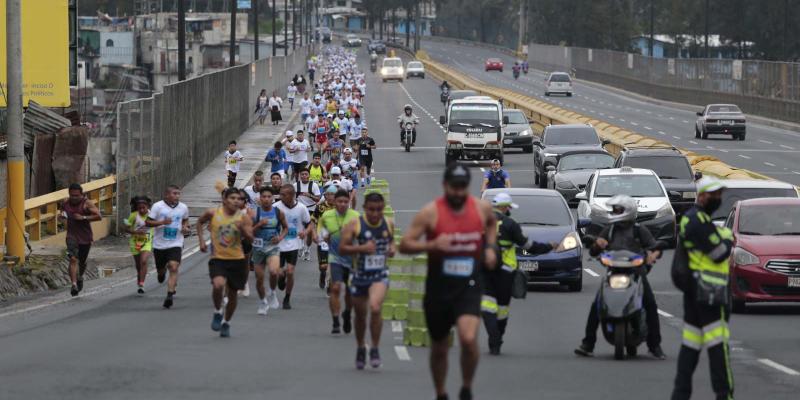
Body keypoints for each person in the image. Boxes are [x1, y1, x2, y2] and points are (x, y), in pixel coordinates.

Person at [399, 164, 498, 400]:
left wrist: (491, 249)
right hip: (439, 288)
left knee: (467, 338)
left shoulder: (481, 208)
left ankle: (466, 388)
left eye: (463, 187)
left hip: (468, 286)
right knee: (440, 347)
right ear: (445, 186)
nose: (458, 192)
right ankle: (441, 392)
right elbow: (404, 244)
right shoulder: (430, 212)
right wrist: (431, 245)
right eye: (454, 187)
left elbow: (492, 224)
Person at [574, 195, 665, 359]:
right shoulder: (609, 230)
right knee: (597, 304)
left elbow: (655, 247)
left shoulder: (639, 230)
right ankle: (588, 344)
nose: (615, 212)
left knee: (650, 304)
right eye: (614, 209)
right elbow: (594, 250)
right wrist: (596, 245)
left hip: (636, 273)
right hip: (613, 272)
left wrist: (654, 254)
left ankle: (655, 346)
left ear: (628, 211)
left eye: (618, 210)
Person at [670, 177, 734, 400]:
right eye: (715, 195)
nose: (719, 199)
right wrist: (727, 238)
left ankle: (680, 395)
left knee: (691, 347)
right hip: (710, 295)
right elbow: (719, 253)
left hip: (696, 293)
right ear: (703, 196)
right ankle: (724, 395)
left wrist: (720, 238)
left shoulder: (695, 219)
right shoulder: (697, 221)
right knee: (719, 350)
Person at [481, 193, 553, 354]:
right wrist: (548, 247)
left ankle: (494, 339)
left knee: (487, 306)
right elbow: (528, 245)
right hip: (506, 272)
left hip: (485, 270)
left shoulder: (483, 223)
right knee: (502, 308)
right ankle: (497, 339)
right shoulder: (510, 224)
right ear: (505, 207)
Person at [340, 192, 396, 369]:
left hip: (379, 274)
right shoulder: (354, 225)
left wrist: (392, 249)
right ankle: (360, 347)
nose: (375, 214)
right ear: (364, 209)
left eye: (379, 210)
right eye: (371, 210)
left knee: (375, 307)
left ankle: (375, 348)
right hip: (359, 275)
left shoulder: (388, 223)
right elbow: (342, 248)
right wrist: (362, 248)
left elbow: (392, 242)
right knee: (361, 316)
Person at [197, 188, 254, 338]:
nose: (236, 201)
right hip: (218, 258)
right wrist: (202, 241)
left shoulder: (244, 218)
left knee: (233, 294)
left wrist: (243, 230)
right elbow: (200, 222)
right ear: (225, 200)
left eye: (239, 198)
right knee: (218, 285)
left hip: (237, 260)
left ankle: (226, 322)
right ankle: (217, 311)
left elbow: (251, 239)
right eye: (233, 198)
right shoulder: (213, 213)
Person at [316, 189, 360, 335]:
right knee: (335, 288)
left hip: (352, 259)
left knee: (349, 292)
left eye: (345, 202)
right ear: (334, 202)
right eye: (339, 201)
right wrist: (323, 236)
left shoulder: (356, 217)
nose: (342, 204)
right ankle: (335, 320)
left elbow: (362, 238)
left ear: (349, 202)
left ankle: (347, 313)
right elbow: (320, 233)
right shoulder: (326, 216)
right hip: (335, 258)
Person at [147, 185, 191, 309]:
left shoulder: (183, 207)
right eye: (174, 193)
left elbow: (185, 220)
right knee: (161, 270)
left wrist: (186, 228)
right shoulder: (157, 206)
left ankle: (169, 295)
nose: (177, 196)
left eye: (178, 194)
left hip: (176, 242)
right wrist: (162, 222)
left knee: (173, 266)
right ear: (166, 195)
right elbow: (148, 222)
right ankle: (161, 274)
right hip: (159, 244)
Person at [272, 184, 313, 309]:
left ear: (292, 195)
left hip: (294, 244)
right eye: (280, 194)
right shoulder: (275, 207)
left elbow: (310, 224)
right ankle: (281, 276)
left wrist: (304, 232)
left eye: (284, 194)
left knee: (290, 272)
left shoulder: (301, 208)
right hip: (278, 244)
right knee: (278, 272)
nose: (281, 196)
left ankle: (287, 298)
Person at [250, 188, 288, 315]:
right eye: (264, 197)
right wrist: (258, 224)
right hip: (258, 248)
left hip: (273, 247)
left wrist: (280, 238)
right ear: (260, 198)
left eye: (269, 197)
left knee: (273, 271)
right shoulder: (254, 214)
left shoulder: (278, 213)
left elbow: (286, 228)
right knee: (259, 279)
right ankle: (263, 302)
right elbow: (249, 233)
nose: (266, 199)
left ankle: (272, 292)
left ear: (273, 198)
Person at [60, 183, 102, 296]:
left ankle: (79, 278)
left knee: (82, 262)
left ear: (81, 195)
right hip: (71, 236)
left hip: (85, 237)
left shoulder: (86, 203)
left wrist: (83, 217)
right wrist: (63, 219)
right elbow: (62, 214)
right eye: (71, 195)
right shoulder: (65, 203)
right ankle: (73, 285)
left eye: (76, 195)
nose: (73, 198)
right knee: (73, 259)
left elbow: (99, 216)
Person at [124, 196, 154, 295]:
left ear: (148, 207)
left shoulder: (152, 215)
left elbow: (157, 224)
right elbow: (126, 228)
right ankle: (140, 277)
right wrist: (136, 232)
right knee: (138, 265)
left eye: (143, 208)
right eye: (139, 208)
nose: (141, 210)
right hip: (135, 243)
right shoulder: (133, 215)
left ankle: (141, 284)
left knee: (144, 261)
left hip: (147, 242)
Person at [313, 185, 338, 291]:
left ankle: (330, 283)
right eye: (329, 194)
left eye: (333, 194)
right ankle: (322, 275)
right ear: (326, 195)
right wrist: (314, 234)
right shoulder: (320, 207)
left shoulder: (341, 207)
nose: (331, 197)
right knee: (323, 266)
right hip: (322, 240)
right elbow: (313, 221)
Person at [296, 168, 322, 261]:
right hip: (299, 210)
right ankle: (301, 246)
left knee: (310, 232)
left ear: (309, 175)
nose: (304, 176)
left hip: (311, 209)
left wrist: (310, 195)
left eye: (306, 174)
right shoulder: (296, 185)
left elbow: (318, 199)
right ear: (299, 175)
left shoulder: (314, 185)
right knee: (300, 230)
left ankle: (307, 249)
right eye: (302, 174)